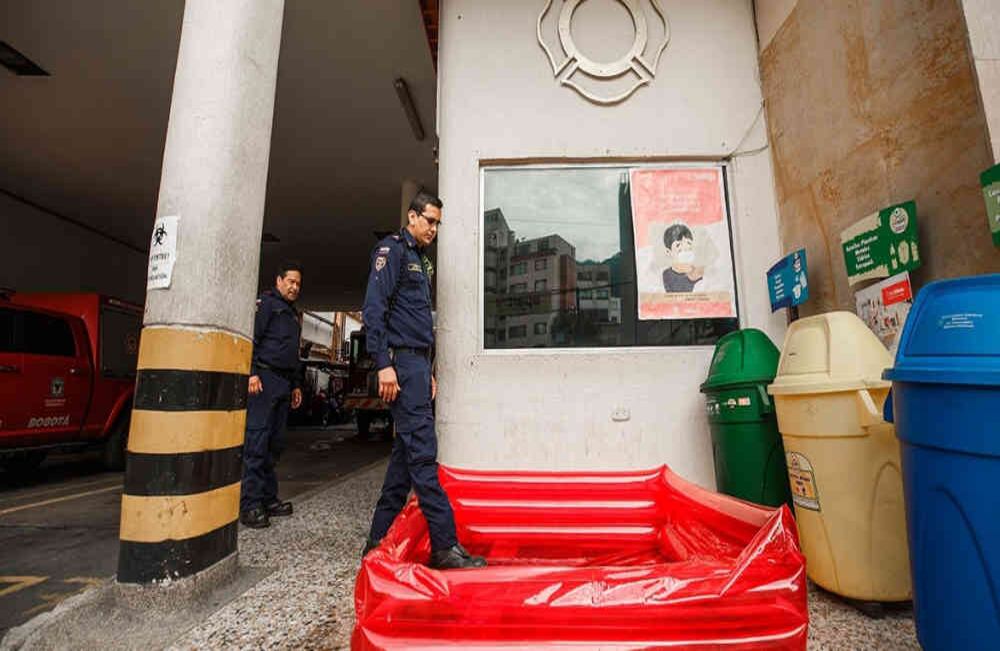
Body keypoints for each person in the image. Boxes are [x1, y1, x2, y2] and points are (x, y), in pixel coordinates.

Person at [361, 191, 486, 570]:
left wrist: (427, 370)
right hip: (400, 365)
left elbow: (417, 322)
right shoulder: (393, 251)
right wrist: (384, 363)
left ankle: (375, 546)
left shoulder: (420, 260)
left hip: (416, 367)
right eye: (429, 221)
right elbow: (373, 310)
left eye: (437, 224)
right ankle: (445, 546)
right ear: (412, 217)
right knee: (423, 456)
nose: (433, 229)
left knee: (403, 462)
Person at [240, 261, 304, 529]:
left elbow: (294, 354)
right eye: (290, 281)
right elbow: (252, 339)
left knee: (274, 444)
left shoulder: (292, 313)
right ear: (278, 281)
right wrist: (252, 372)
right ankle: (250, 505)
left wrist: (297, 384)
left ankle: (268, 498)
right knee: (257, 442)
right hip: (263, 380)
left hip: (283, 383)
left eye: (298, 284)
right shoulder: (266, 305)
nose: (294, 287)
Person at [662, 222, 704, 293]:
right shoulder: (666, 275)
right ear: (668, 252)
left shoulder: (697, 273)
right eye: (678, 245)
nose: (685, 248)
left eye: (689, 243)